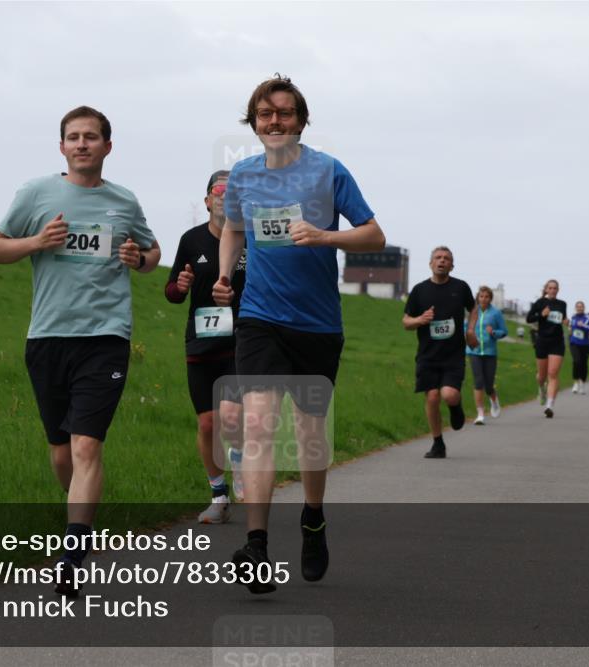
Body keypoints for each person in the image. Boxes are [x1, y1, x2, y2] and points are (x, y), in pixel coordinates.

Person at [213, 74, 386, 594]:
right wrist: (226, 276)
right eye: (265, 114)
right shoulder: (243, 175)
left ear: (301, 120)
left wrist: (326, 235)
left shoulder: (328, 171)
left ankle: (313, 517)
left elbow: (374, 234)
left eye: (284, 113)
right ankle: (258, 546)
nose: (274, 122)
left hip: (316, 324)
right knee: (261, 426)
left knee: (310, 437)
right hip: (260, 318)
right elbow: (234, 230)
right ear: (254, 122)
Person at [0, 106, 160, 596]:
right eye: (73, 137)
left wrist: (139, 258)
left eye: (91, 137)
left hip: (106, 337)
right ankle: (80, 515)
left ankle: (72, 552)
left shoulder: (123, 202)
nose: (82, 144)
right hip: (47, 336)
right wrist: (37, 241)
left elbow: (151, 254)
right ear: (62, 147)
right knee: (61, 452)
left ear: (108, 147)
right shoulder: (36, 194)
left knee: (87, 445)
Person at [166, 170, 246, 523]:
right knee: (208, 423)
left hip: (240, 341)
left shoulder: (248, 239)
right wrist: (180, 286)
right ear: (207, 200)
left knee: (231, 415)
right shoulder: (191, 240)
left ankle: (242, 468)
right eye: (219, 191)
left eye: (233, 192)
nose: (224, 197)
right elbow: (171, 292)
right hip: (200, 341)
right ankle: (218, 493)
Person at [403, 248, 478, 453]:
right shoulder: (419, 291)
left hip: (453, 355)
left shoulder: (460, 287)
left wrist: (470, 330)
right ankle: (438, 443)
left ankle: (456, 406)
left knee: (449, 394)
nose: (442, 261)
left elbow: (474, 308)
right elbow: (406, 322)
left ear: (452, 266)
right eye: (438, 258)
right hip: (428, 355)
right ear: (430, 263)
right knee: (433, 397)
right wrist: (420, 320)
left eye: (447, 259)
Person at [464, 285, 506, 425]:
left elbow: (504, 331)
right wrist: (466, 336)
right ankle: (480, 413)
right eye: (481, 296)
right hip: (473, 351)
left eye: (487, 296)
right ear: (477, 297)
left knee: (488, 385)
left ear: (490, 298)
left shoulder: (496, 313)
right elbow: (465, 328)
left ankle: (494, 400)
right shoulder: (472, 312)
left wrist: (494, 332)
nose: (484, 299)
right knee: (478, 381)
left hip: (490, 352)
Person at [526, 279, 568, 418]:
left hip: (557, 342)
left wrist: (566, 321)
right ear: (546, 289)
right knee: (542, 376)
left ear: (558, 290)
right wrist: (541, 314)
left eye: (555, 288)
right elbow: (529, 319)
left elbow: (563, 319)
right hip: (542, 341)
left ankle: (549, 405)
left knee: (553, 373)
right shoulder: (539, 303)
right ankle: (541, 389)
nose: (553, 290)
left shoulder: (562, 304)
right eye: (550, 288)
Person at [569, 301, 589, 395]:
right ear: (575, 308)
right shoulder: (573, 317)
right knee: (576, 361)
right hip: (574, 343)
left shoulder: (588, 318)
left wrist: (583, 326)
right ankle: (575, 383)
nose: (579, 308)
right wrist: (570, 330)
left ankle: (582, 384)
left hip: (585, 344)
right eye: (578, 307)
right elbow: (571, 327)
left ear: (584, 308)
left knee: (583, 364)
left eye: (581, 307)